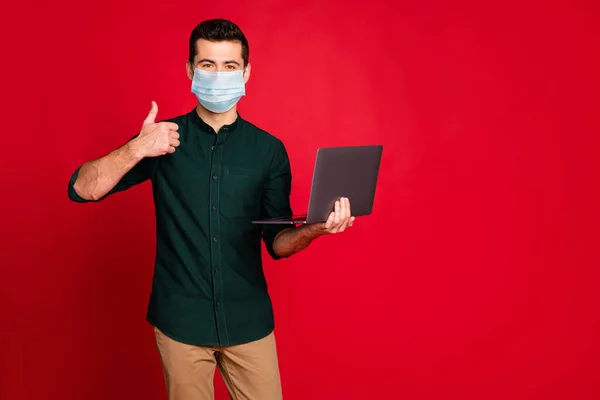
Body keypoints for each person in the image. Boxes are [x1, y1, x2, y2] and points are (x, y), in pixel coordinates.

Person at [67, 18, 354, 400]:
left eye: (230, 66)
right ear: (190, 69)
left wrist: (315, 228)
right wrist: (137, 147)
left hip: (248, 320)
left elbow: (278, 243)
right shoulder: (161, 140)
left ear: (246, 72)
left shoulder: (268, 150)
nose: (219, 75)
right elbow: (82, 189)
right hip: (181, 321)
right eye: (207, 64)